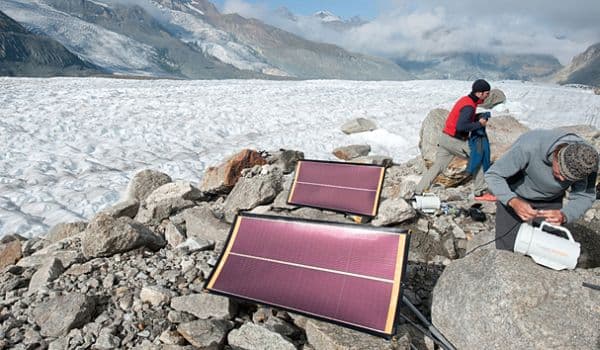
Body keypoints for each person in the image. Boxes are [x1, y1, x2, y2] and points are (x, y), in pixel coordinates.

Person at [484, 129, 598, 251]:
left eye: (569, 179)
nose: (562, 179)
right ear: (556, 155)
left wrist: (565, 215)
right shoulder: (529, 146)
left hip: (550, 201)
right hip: (514, 195)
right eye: (559, 173)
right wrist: (512, 200)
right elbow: (494, 175)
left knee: (548, 249)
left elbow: (584, 196)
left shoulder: (588, 162)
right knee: (506, 248)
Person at [416, 79, 495, 200]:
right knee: (479, 157)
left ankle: (418, 190)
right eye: (486, 93)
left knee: (438, 166)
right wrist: (479, 124)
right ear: (479, 93)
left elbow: (462, 119)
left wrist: (476, 117)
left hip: (444, 139)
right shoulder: (469, 106)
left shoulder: (466, 100)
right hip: (454, 140)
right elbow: (461, 126)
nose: (488, 96)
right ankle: (480, 193)